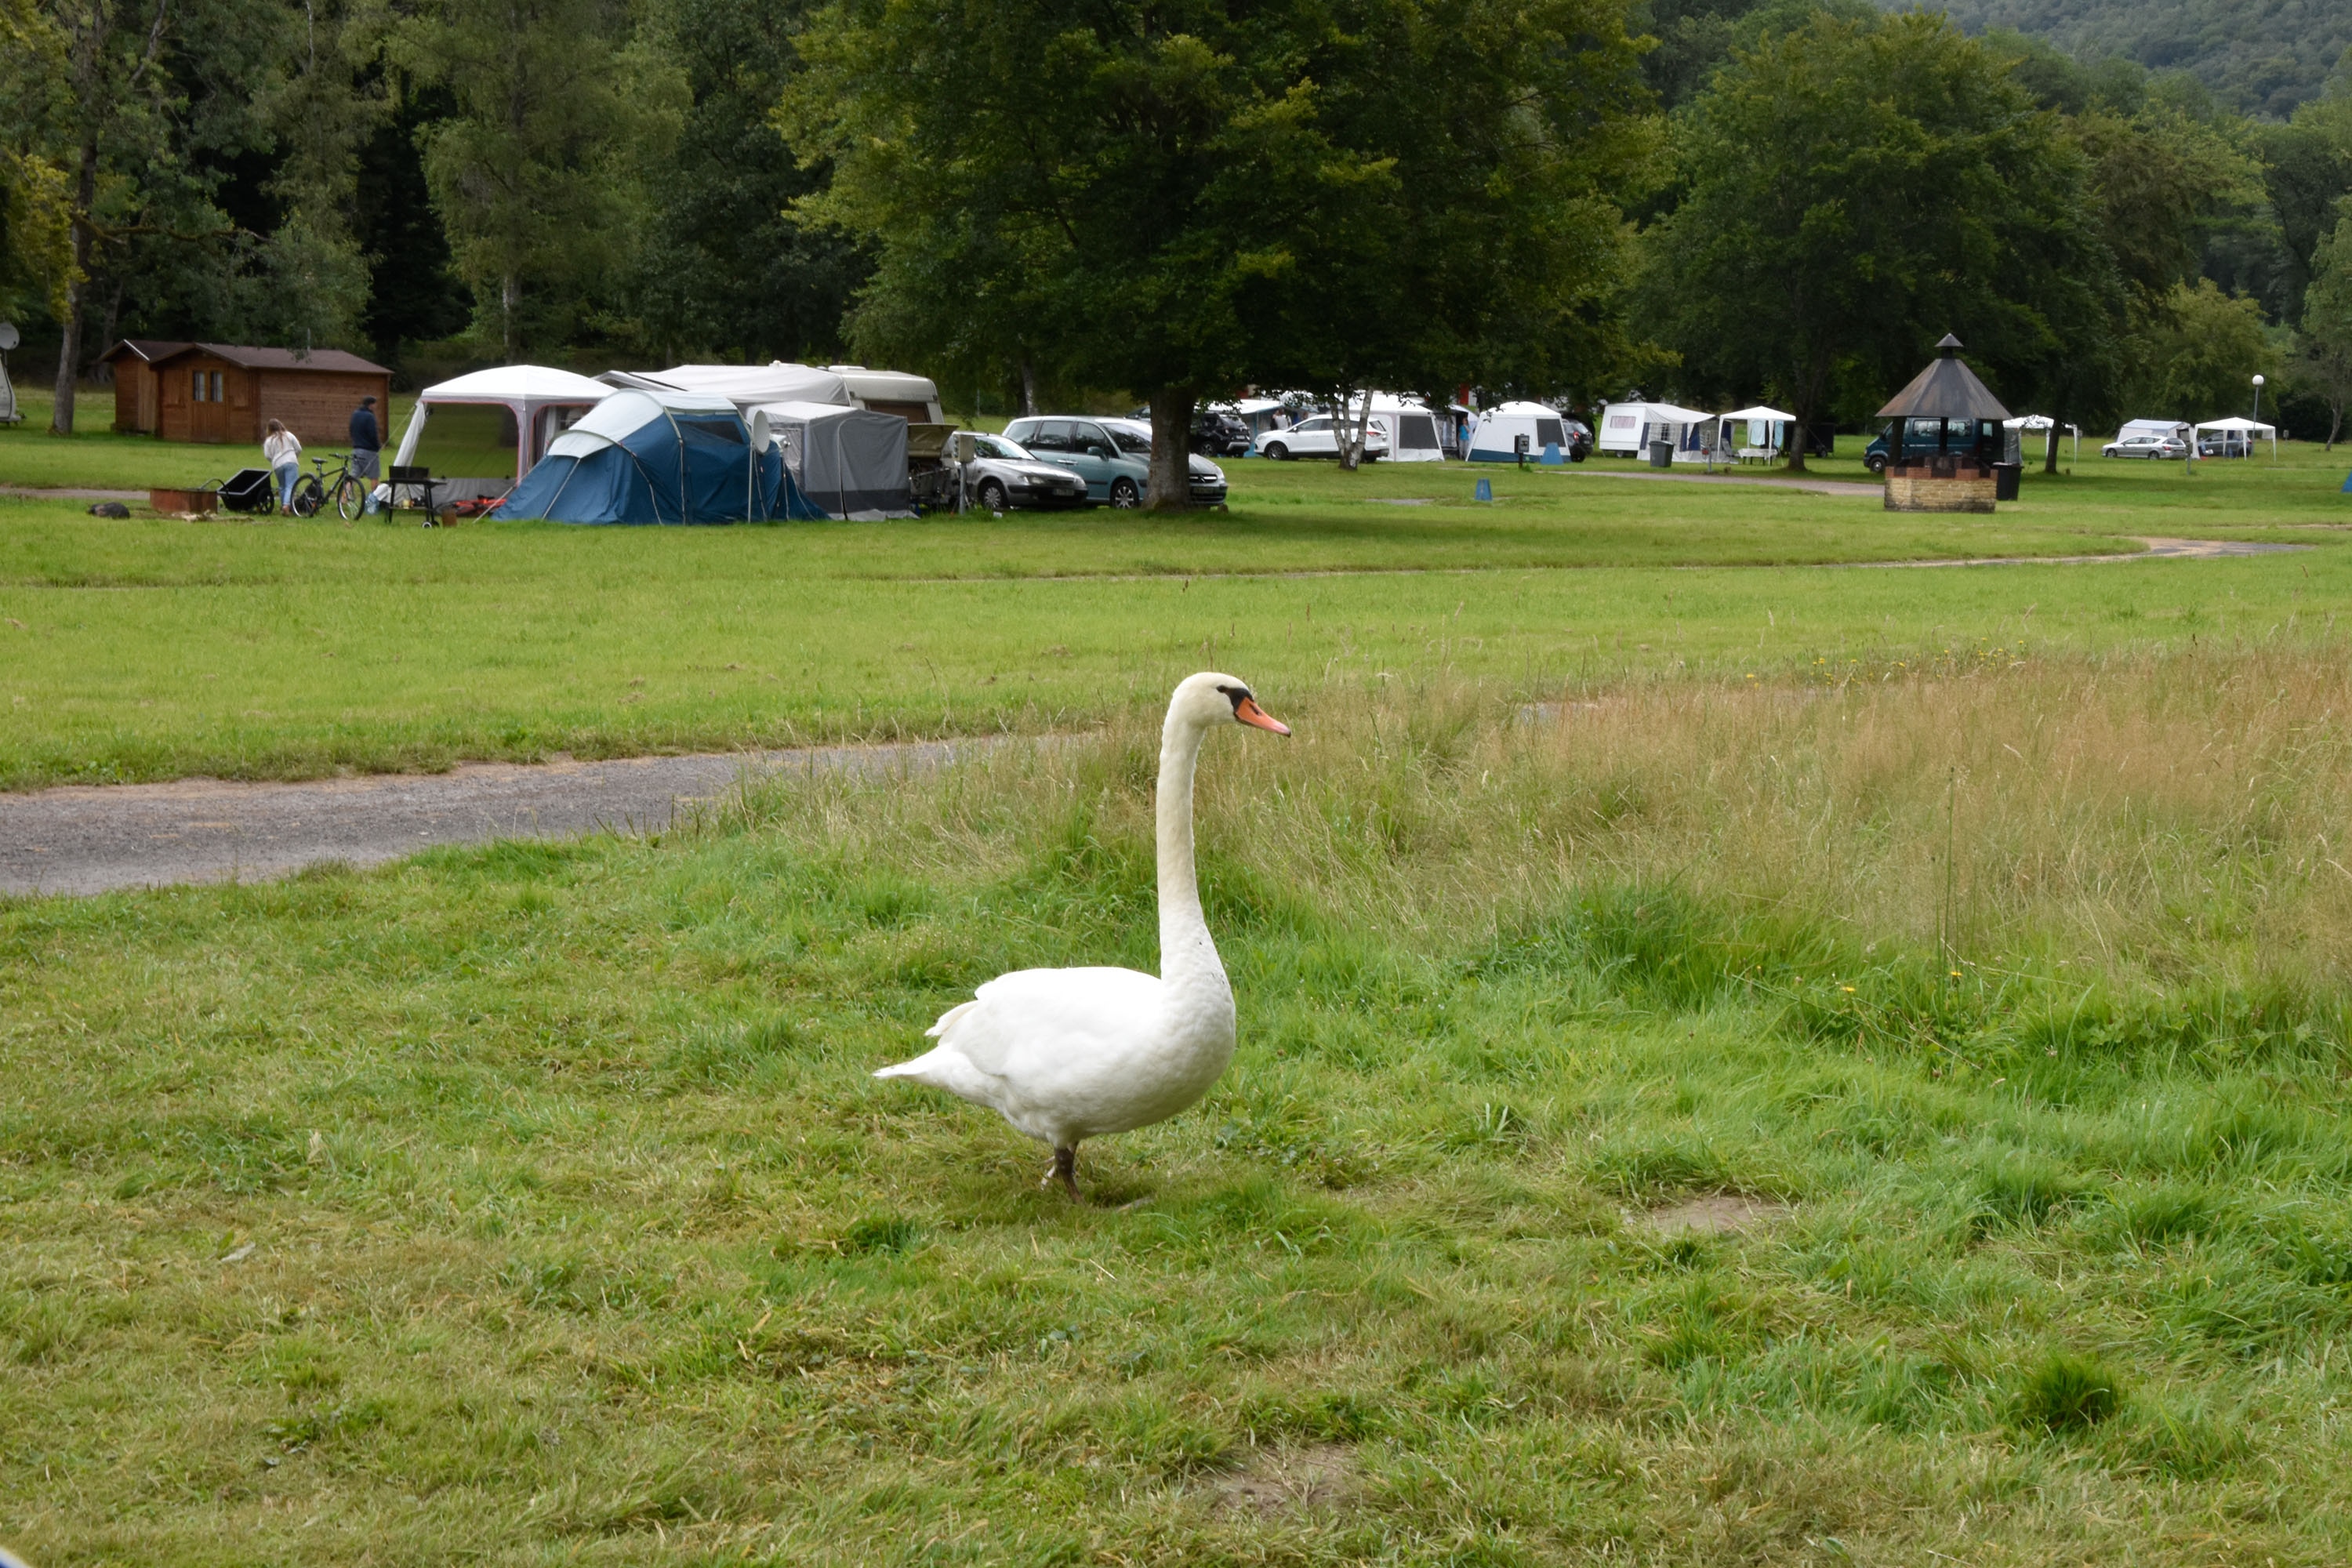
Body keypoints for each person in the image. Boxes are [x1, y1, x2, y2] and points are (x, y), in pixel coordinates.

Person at [348, 395, 382, 512]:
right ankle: (373, 500)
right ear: (371, 405)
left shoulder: (355, 414)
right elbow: (373, 434)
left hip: (356, 449)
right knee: (374, 476)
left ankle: (344, 498)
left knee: (353, 475)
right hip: (369, 451)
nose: (376, 407)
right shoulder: (370, 416)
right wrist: (378, 446)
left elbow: (351, 429)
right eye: (375, 404)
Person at [263, 419, 302, 513]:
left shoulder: (269, 440)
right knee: (291, 485)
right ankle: (287, 505)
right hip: (291, 462)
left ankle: (283, 505)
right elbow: (299, 449)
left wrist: (274, 460)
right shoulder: (289, 435)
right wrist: (294, 456)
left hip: (277, 465)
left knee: (282, 486)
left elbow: (268, 455)